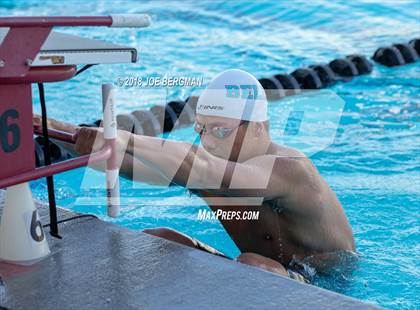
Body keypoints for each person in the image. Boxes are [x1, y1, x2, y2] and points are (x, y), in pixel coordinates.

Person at [34, 69, 355, 283]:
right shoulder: (212, 165)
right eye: (203, 130)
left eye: (222, 131)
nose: (211, 141)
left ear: (260, 127)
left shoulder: (288, 168)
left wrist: (124, 138)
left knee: (254, 266)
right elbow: (125, 164)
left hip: (325, 285)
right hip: (263, 274)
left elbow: (200, 166)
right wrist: (52, 128)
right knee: (157, 237)